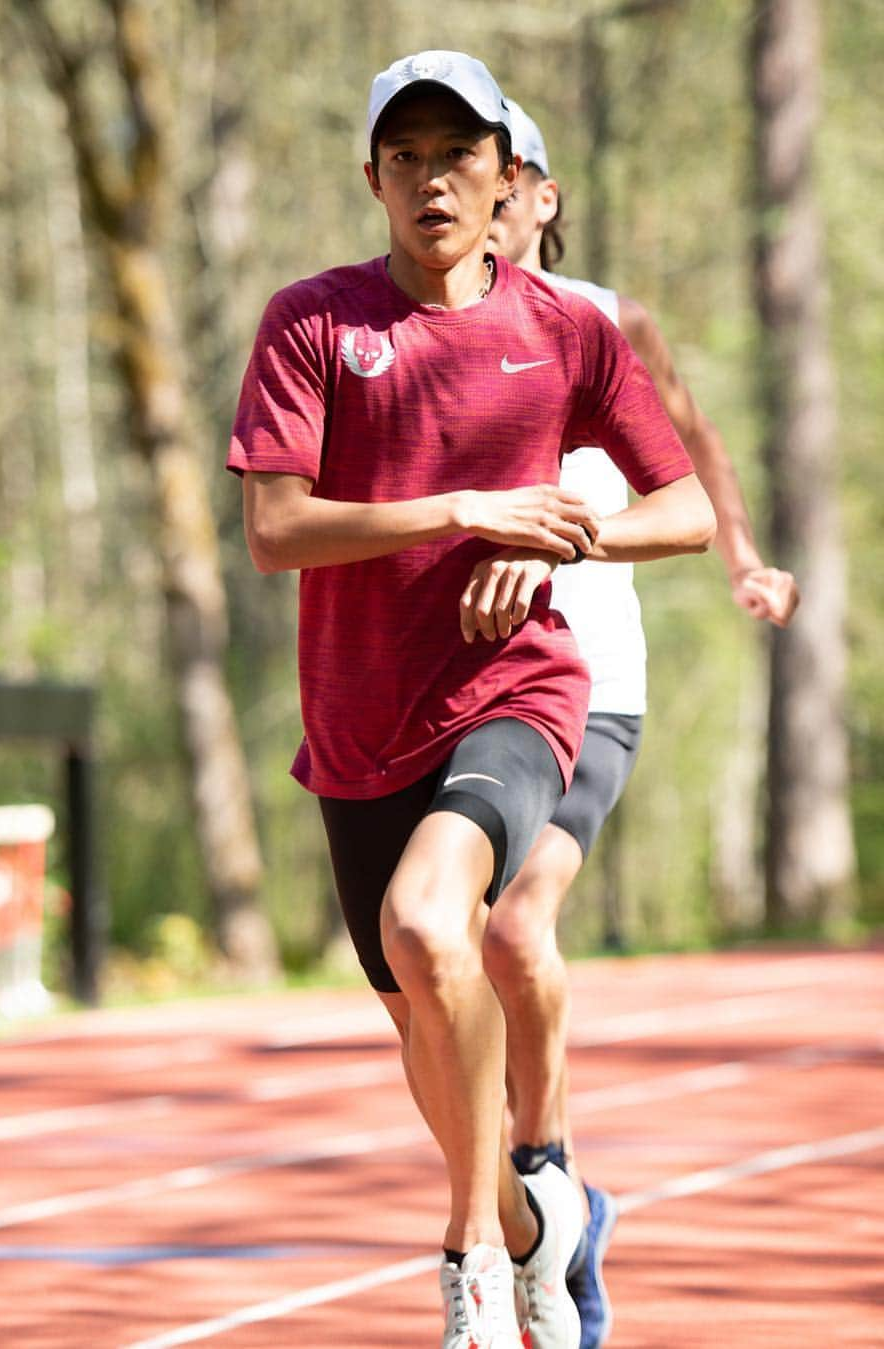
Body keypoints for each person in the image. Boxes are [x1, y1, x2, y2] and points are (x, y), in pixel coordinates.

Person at [228, 50, 715, 1349]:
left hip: (518, 689)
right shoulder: (314, 324)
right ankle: (522, 1222)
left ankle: (471, 1263)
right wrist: (461, 510)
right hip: (354, 723)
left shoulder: (567, 330)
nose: (430, 178)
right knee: (425, 1018)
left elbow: (689, 508)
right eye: (404, 156)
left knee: (435, 924)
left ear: (510, 179)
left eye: (457, 154)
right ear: (371, 178)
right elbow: (275, 531)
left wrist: (559, 537)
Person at [483, 100, 800, 1349]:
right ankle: (512, 1211)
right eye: (457, 175)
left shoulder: (607, 318)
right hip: (464, 689)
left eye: (502, 179)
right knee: (442, 953)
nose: (479, 200)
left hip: (594, 676)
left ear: (545, 196)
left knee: (516, 929)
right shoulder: (434, 331)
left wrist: (745, 557)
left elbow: (693, 441)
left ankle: (551, 1186)